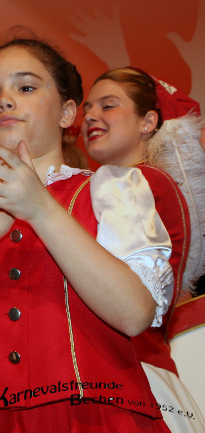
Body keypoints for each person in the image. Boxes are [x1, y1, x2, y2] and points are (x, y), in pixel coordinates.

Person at [0, 36, 174, 432]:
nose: (4, 101)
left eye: (25, 87)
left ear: (67, 112)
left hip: (94, 415)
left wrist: (40, 209)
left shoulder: (110, 189)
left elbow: (135, 313)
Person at [82, 67, 205, 431]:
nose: (91, 116)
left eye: (108, 105)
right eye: (87, 108)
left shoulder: (139, 184)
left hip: (127, 376)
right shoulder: (154, 183)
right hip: (146, 373)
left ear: (148, 121)